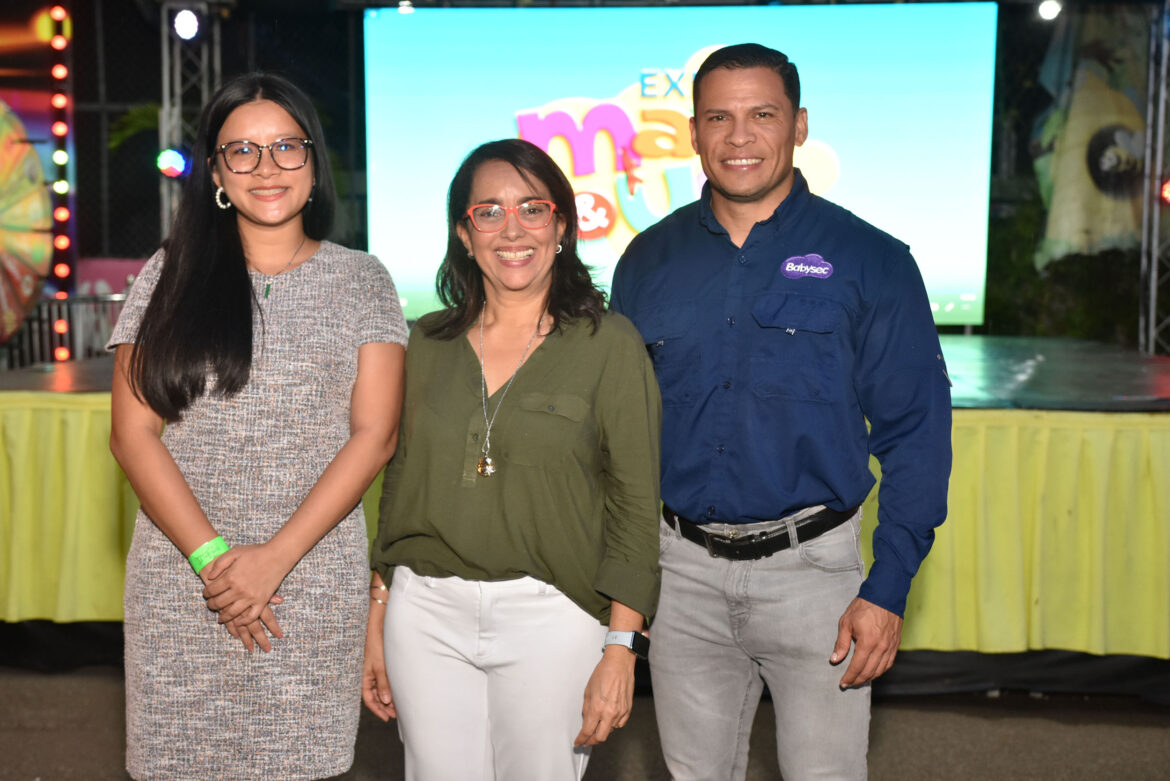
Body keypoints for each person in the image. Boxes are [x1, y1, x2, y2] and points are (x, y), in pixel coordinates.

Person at [610, 43, 952, 780]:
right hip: (682, 578)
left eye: (762, 115)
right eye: (718, 118)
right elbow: (618, 438)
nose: (739, 137)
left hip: (817, 580)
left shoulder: (873, 260)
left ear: (798, 126)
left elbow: (917, 432)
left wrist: (887, 587)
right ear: (693, 133)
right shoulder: (646, 261)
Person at [108, 73, 407, 780]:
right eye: (241, 151)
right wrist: (216, 562)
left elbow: (375, 436)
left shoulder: (363, 279)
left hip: (311, 583)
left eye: (285, 147)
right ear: (216, 173)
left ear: (314, 163)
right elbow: (132, 434)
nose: (266, 167)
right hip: (182, 584)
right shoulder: (167, 274)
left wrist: (273, 560)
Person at [362, 138, 662, 781]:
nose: (513, 230)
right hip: (424, 614)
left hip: (554, 616)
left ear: (562, 226)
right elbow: (401, 484)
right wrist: (378, 609)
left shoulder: (609, 343)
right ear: (464, 235)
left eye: (532, 208)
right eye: (489, 212)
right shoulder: (427, 342)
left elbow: (636, 506)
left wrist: (622, 645)